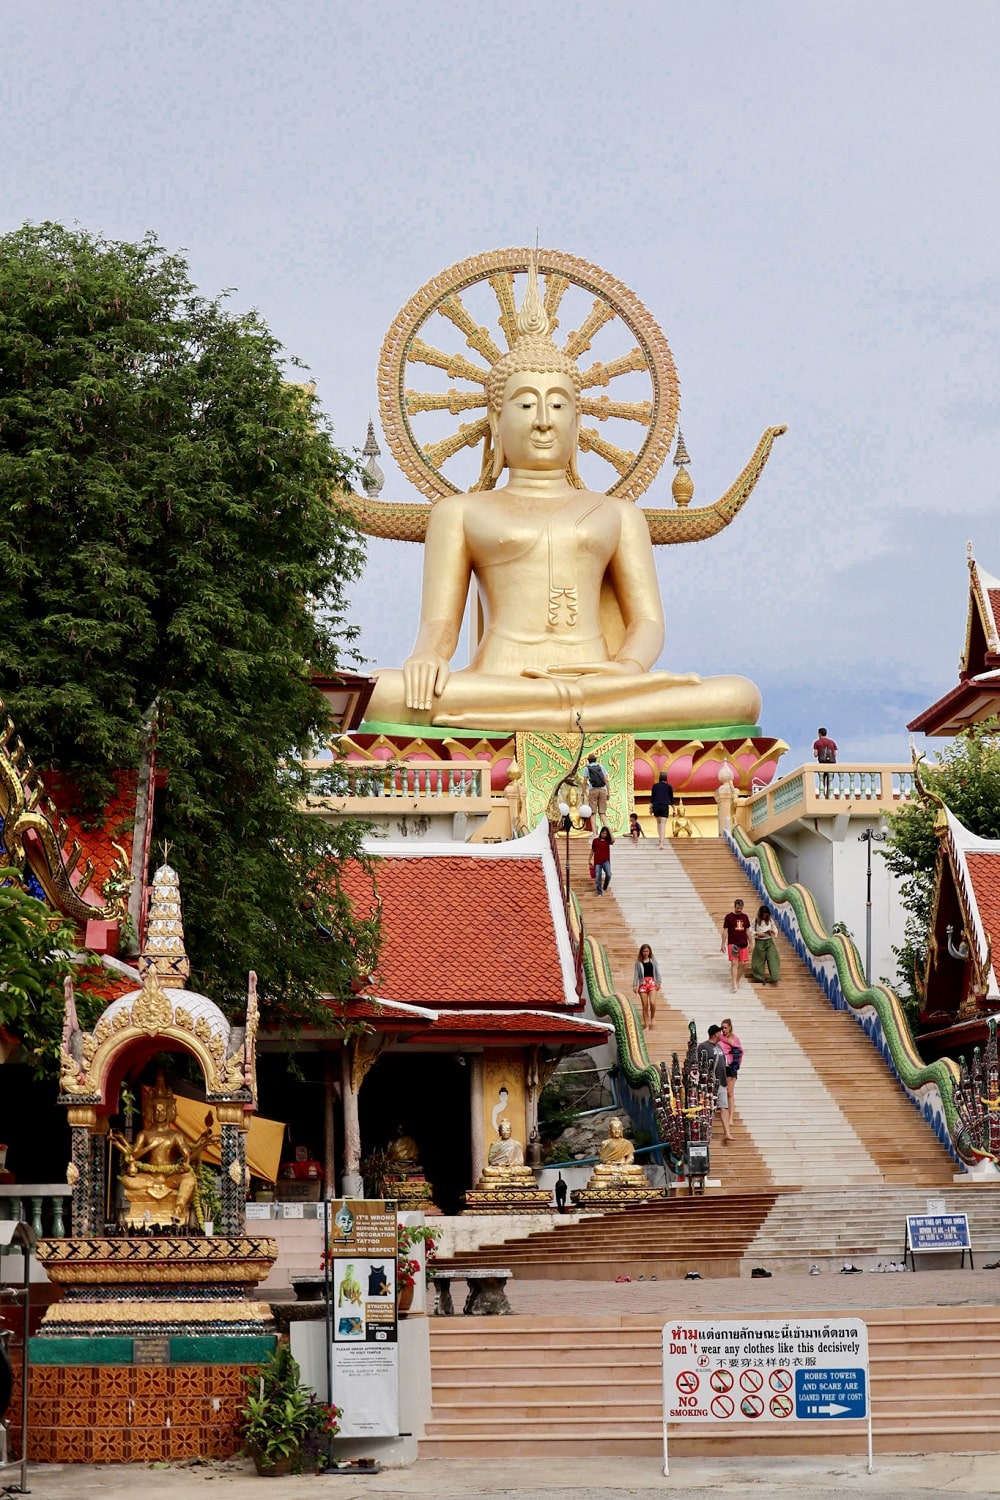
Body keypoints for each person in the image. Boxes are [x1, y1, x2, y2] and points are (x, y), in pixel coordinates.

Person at [367, 257, 761, 733]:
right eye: (526, 403)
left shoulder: (617, 514)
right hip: (501, 680)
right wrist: (426, 657)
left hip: (604, 681)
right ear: (495, 420)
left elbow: (648, 625)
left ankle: (557, 713)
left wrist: (628, 670)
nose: (543, 419)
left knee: (739, 695)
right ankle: (571, 714)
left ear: (578, 422)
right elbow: (440, 624)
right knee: (380, 692)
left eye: (558, 404)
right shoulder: (461, 512)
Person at [705, 1026, 734, 1143]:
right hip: (710, 1083)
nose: (721, 1033)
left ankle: (727, 1133)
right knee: (708, 1108)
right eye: (719, 1032)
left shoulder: (719, 1047)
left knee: (724, 1107)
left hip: (721, 1082)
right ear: (715, 1034)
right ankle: (707, 1133)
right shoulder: (704, 1047)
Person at [721, 898, 752, 993]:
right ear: (735, 906)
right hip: (733, 943)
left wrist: (751, 943)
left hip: (743, 944)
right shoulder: (729, 917)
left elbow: (747, 931)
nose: (739, 910)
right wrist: (723, 943)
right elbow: (725, 930)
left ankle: (737, 980)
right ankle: (734, 982)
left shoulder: (745, 917)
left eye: (741, 908)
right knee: (734, 963)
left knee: (742, 964)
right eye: (738, 908)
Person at [719, 1016, 744, 1117]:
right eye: (722, 1028)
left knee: (730, 1092)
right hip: (722, 1066)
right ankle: (723, 1111)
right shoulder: (720, 1038)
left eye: (725, 1028)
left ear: (730, 1027)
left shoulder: (735, 1038)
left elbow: (740, 1051)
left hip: (731, 1066)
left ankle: (731, 1117)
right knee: (723, 1091)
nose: (723, 1030)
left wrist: (731, 1044)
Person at [632, 943, 661, 1028]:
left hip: (652, 982)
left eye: (647, 951)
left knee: (652, 1002)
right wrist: (635, 985)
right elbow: (636, 974)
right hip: (643, 983)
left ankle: (652, 1017)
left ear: (649, 952)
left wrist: (658, 982)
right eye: (644, 951)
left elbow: (657, 972)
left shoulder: (653, 961)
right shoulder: (638, 963)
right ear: (641, 952)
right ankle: (647, 1025)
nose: (645, 953)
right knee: (645, 1005)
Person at [751, 905, 780, 985]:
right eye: (763, 915)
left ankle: (774, 977)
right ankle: (760, 978)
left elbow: (775, 930)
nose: (764, 916)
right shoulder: (755, 921)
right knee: (758, 961)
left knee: (773, 959)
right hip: (759, 942)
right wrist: (758, 934)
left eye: (766, 915)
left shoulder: (770, 920)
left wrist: (772, 932)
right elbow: (750, 931)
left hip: (769, 941)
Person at [649, 770, 675, 848]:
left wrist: (650, 808)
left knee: (658, 823)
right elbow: (671, 799)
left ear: (659, 778)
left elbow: (652, 798)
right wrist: (674, 810)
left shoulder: (655, 786)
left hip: (656, 806)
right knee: (663, 824)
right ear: (666, 779)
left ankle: (660, 839)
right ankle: (661, 843)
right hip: (664, 806)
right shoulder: (669, 787)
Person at [583, 753, 610, 827]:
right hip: (602, 790)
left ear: (588, 760)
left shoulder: (586, 768)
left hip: (593, 790)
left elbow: (585, 782)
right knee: (602, 813)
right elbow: (606, 780)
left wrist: (583, 794)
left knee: (593, 813)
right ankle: (607, 830)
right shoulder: (601, 767)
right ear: (595, 759)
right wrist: (608, 792)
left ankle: (595, 833)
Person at [813, 727, 838, 795]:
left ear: (819, 734)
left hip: (822, 763)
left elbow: (815, 754)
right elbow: (835, 754)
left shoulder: (817, 743)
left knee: (822, 780)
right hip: (831, 763)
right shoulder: (832, 742)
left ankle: (823, 794)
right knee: (830, 780)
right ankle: (829, 794)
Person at [591, 825, 614, 895]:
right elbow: (592, 850)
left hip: (605, 861)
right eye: (603, 833)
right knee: (598, 877)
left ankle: (605, 887)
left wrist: (609, 830)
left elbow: (613, 840)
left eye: (606, 834)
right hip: (597, 861)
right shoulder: (595, 841)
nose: (604, 835)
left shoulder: (608, 841)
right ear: (600, 833)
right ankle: (599, 892)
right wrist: (589, 859)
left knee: (609, 874)